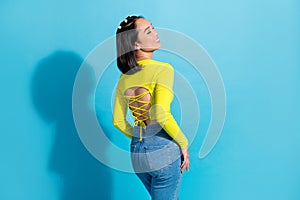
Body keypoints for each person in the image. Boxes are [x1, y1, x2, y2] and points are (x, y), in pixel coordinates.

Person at [112, 15, 190, 200]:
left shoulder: (124, 78)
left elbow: (118, 121)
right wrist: (184, 143)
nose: (155, 32)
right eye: (148, 31)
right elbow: (161, 113)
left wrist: (140, 136)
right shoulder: (163, 69)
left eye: (153, 28)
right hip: (162, 148)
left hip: (137, 152)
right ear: (136, 45)